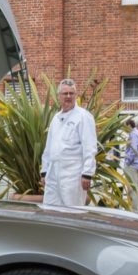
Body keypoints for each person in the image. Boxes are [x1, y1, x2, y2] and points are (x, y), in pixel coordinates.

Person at [41, 79, 97, 207]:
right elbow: (49, 148)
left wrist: (87, 173)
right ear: (59, 96)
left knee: (73, 213)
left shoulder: (84, 117)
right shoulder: (56, 118)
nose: (68, 96)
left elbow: (90, 147)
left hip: (73, 175)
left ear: (76, 95)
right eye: (65, 93)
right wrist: (44, 171)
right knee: (50, 211)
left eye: (71, 93)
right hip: (53, 174)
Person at [123, 119, 138, 214]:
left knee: (132, 188)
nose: (124, 129)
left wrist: (128, 162)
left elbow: (134, 149)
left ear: (129, 125)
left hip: (133, 165)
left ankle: (134, 211)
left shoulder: (133, 134)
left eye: (125, 126)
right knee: (137, 189)